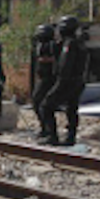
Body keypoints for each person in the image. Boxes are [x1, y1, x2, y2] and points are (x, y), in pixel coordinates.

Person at [39, 16, 88, 146]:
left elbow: (65, 65)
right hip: (79, 80)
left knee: (46, 105)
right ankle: (70, 137)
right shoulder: (80, 43)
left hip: (67, 81)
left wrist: (60, 82)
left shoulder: (69, 44)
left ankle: (52, 136)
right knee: (72, 109)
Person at [31, 24, 57, 138]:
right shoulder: (40, 45)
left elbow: (54, 60)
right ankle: (44, 128)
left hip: (49, 78)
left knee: (43, 104)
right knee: (37, 103)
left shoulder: (52, 46)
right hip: (42, 78)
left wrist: (45, 60)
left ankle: (49, 131)